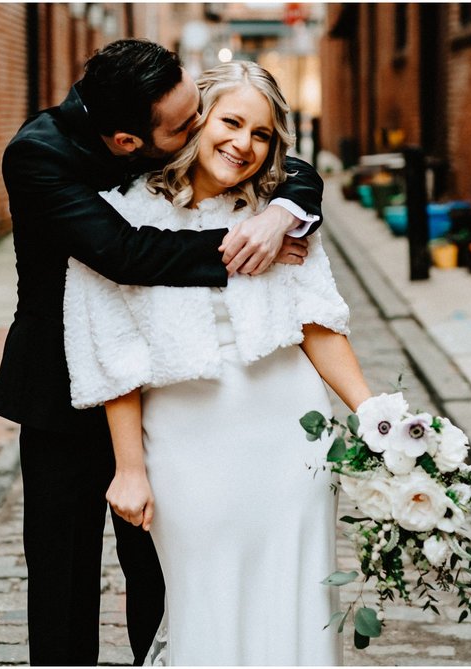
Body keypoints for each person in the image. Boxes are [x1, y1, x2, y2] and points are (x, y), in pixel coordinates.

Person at [0, 39, 326, 666]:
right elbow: (125, 255)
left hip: (161, 396)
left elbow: (291, 166)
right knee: (62, 580)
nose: (204, 125)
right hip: (60, 391)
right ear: (127, 144)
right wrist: (246, 246)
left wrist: (280, 213)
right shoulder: (37, 155)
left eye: (200, 106)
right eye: (190, 122)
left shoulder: (163, 127)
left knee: (163, 578)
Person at [62, 61, 374, 665]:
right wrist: (130, 469)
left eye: (261, 134)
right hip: (184, 440)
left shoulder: (279, 217)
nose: (244, 145)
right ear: (197, 120)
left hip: (290, 436)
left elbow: (316, 320)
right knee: (201, 597)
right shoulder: (121, 217)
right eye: (232, 122)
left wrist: (376, 416)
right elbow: (113, 357)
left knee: (296, 594)